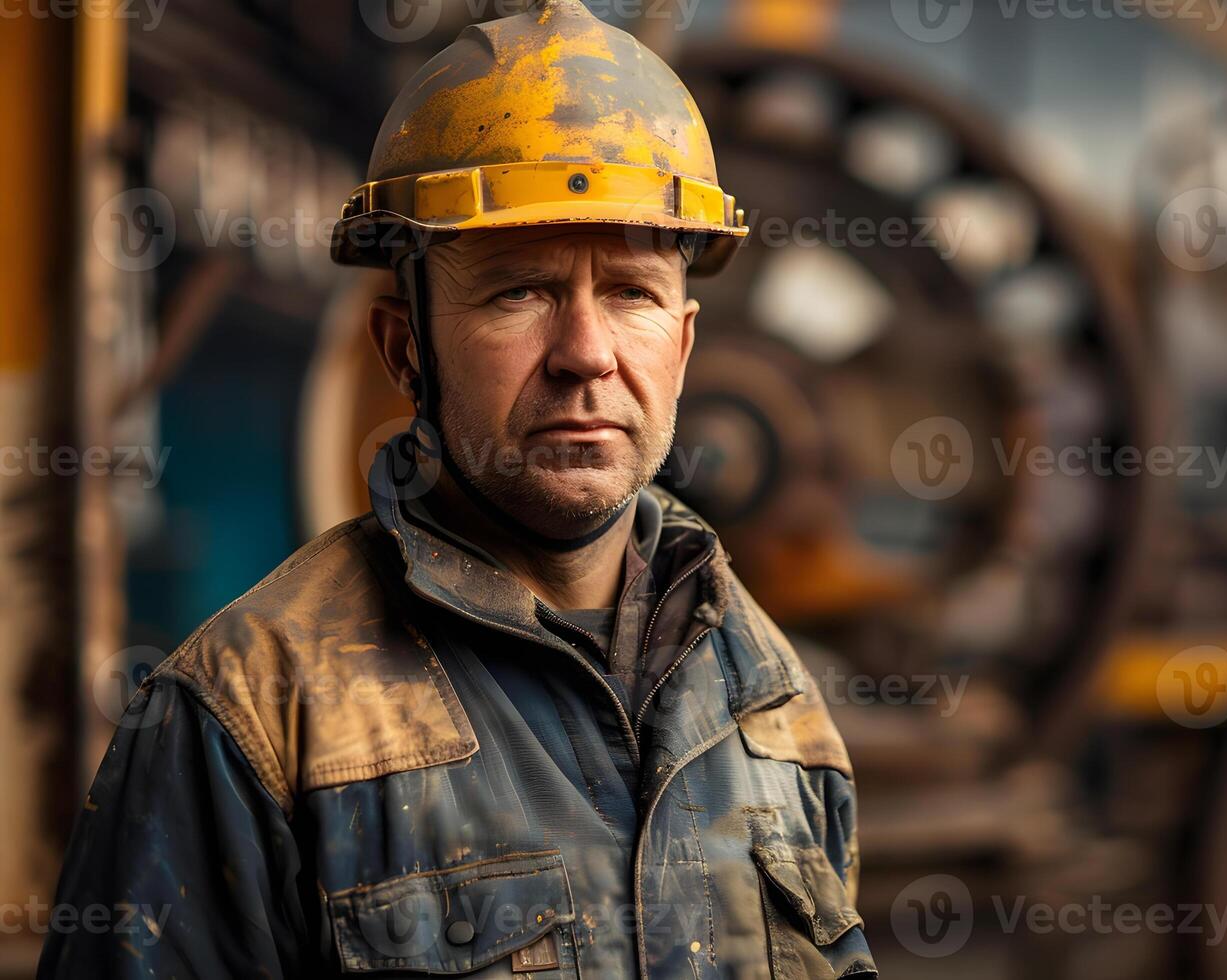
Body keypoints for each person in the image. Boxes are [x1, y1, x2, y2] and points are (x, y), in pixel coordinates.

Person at [40, 3, 874, 977]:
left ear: (684, 345)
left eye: (632, 293)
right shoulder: (249, 714)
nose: (586, 354)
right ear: (405, 348)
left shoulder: (771, 696)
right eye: (519, 290)